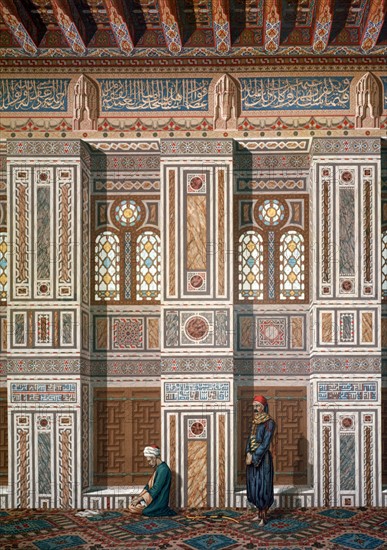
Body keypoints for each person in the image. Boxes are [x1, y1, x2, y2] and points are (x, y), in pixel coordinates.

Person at [246, 395, 276, 525]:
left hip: (263, 459)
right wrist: (247, 453)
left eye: (258, 406)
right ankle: (258, 513)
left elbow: (265, 443)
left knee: (263, 486)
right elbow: (250, 439)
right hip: (251, 457)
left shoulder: (270, 422)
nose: (255, 409)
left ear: (263, 407)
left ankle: (264, 516)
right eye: (254, 406)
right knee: (253, 484)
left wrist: (254, 456)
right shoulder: (254, 421)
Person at [128, 445, 176, 517]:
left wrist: (140, 499)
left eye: (149, 461)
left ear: (154, 457)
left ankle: (157, 510)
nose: (149, 463)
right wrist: (138, 498)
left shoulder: (163, 470)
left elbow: (155, 489)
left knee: (134, 508)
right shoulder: (159, 468)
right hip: (153, 499)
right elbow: (148, 486)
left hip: (158, 502)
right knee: (132, 506)